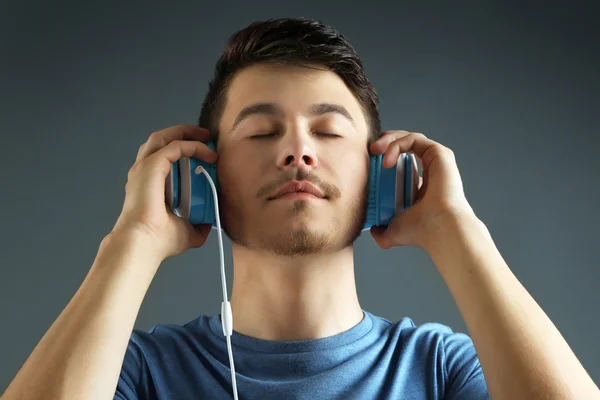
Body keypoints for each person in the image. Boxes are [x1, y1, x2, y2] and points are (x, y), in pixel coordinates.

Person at [2, 17, 598, 400]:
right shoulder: (138, 372)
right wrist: (131, 240)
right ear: (202, 177)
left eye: (329, 133)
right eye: (262, 133)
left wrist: (457, 230)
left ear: (381, 173)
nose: (297, 151)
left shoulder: (441, 369)